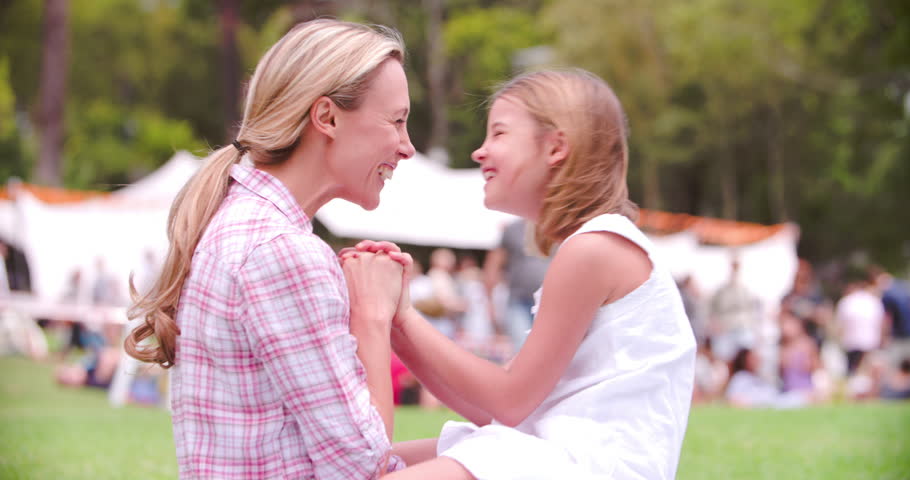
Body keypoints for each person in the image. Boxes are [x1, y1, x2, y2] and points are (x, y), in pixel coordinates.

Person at [346, 69, 696, 479]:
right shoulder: (592, 247)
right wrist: (396, 319)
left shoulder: (594, 249)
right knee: (355, 470)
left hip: (590, 466)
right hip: (555, 453)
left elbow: (509, 402)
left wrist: (402, 317)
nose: (480, 152)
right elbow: (492, 410)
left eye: (499, 133)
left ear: (556, 147)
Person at [123, 19, 415, 479]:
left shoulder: (241, 224)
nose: (407, 147)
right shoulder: (282, 251)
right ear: (327, 117)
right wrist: (373, 315)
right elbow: (362, 464)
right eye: (397, 121)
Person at [483, 218, 550, 350]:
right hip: (519, 301)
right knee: (522, 348)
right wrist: (489, 302)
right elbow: (493, 265)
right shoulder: (512, 229)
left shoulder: (556, 226)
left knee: (546, 349)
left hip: (549, 303)